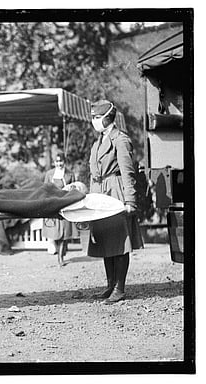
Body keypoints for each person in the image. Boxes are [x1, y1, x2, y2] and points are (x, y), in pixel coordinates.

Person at [88, 100, 143, 304]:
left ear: (107, 118)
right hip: (100, 193)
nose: (94, 121)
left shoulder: (120, 140)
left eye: (96, 117)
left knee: (119, 242)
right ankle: (110, 285)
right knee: (105, 242)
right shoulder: (98, 142)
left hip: (115, 192)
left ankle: (119, 288)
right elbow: (93, 173)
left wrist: (130, 201)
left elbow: (128, 171)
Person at [43, 151, 78, 266]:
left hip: (65, 204)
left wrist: (70, 189)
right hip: (53, 205)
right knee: (55, 233)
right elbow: (44, 189)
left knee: (65, 233)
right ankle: (59, 256)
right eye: (57, 161)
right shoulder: (49, 174)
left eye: (61, 161)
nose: (59, 163)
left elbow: (74, 189)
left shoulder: (70, 174)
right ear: (54, 162)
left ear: (64, 162)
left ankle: (61, 257)